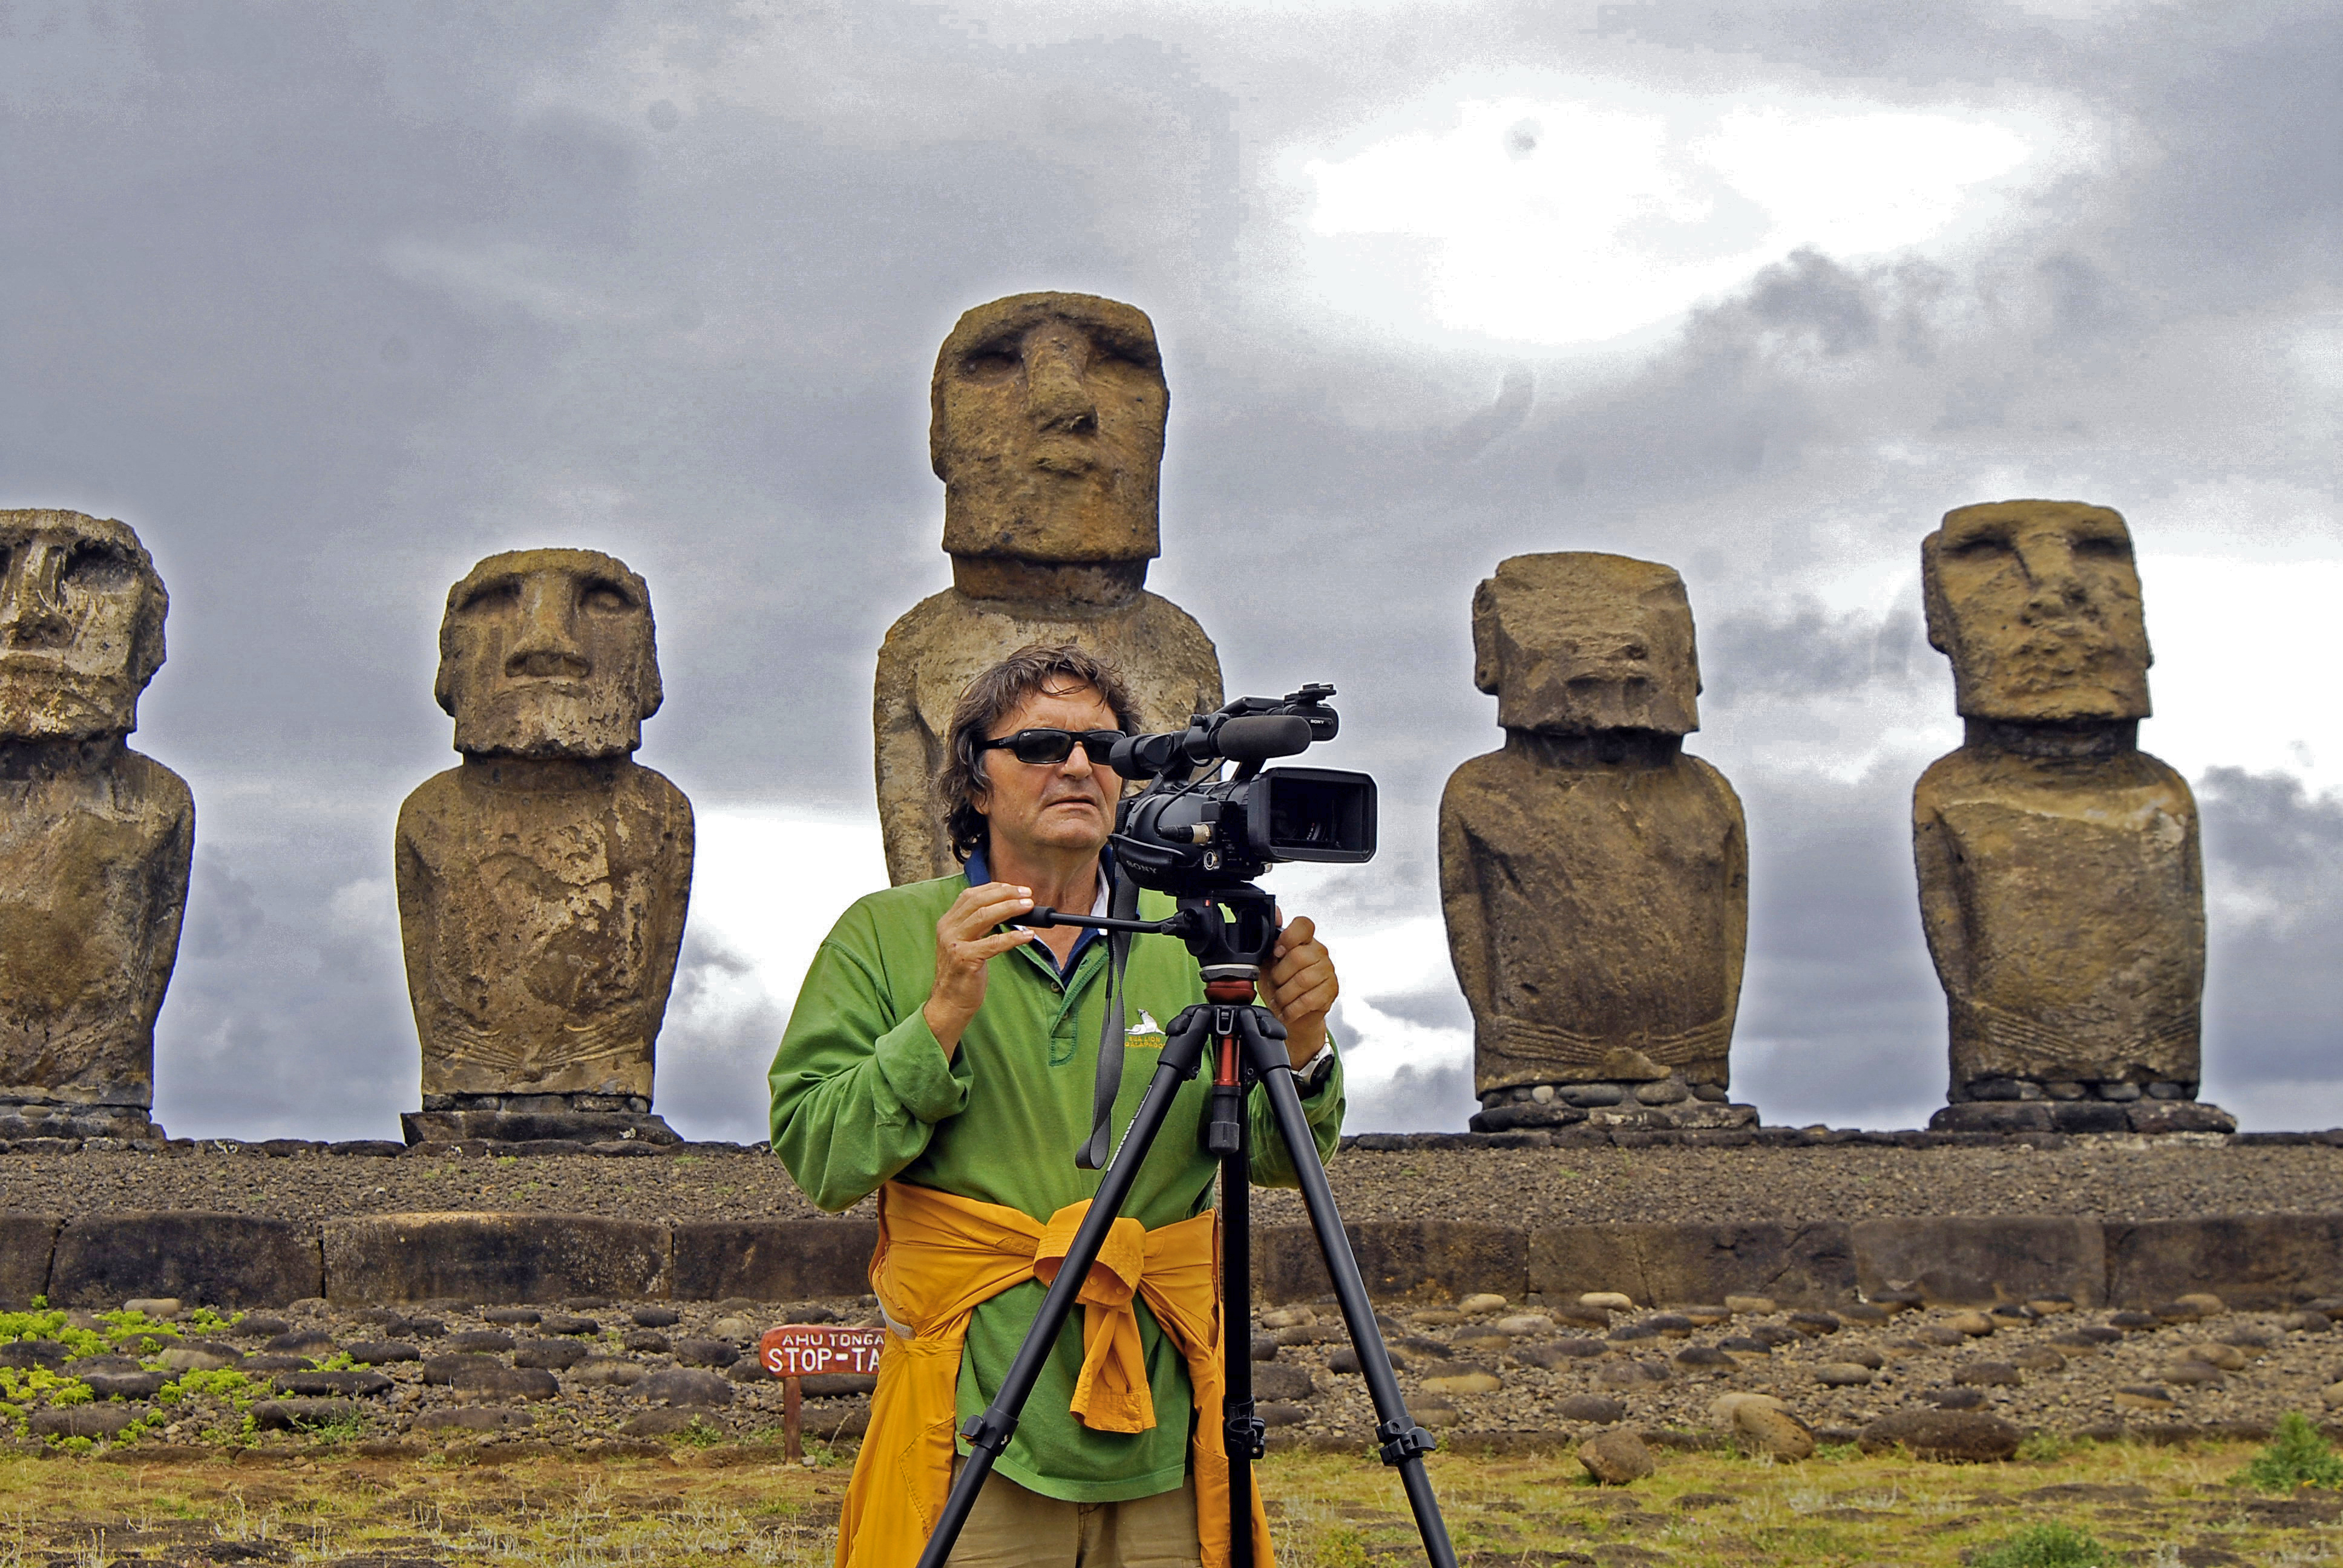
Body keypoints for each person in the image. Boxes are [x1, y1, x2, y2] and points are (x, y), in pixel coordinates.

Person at [770, 642, 1345, 1568]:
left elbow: (1278, 1161)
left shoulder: (1194, 939)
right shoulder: (886, 934)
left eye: (1105, 748)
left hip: (1166, 1419)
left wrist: (1304, 1043)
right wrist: (939, 1018)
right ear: (975, 781)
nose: (1079, 766)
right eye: (1041, 746)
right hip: (972, 1418)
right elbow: (821, 1159)